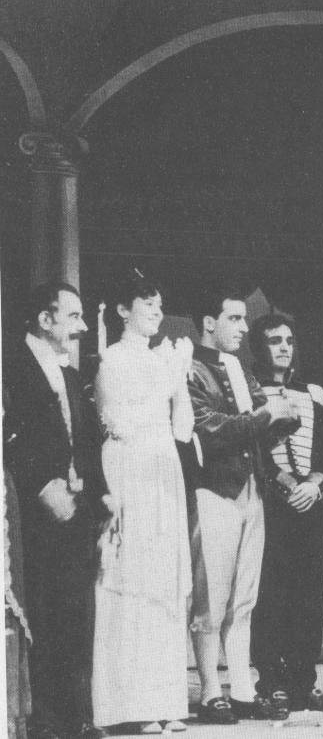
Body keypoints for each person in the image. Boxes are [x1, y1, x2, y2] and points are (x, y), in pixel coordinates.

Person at [186, 286, 299, 724]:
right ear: (209, 323)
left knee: (243, 598)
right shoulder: (191, 367)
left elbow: (259, 423)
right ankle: (210, 691)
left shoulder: (237, 367)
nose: (243, 327)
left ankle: (243, 688)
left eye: (243, 318)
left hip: (251, 488)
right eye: (234, 318)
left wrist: (283, 417)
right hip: (215, 490)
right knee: (211, 597)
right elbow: (209, 430)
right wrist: (267, 415)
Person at [91, 273, 193, 734]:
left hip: (163, 468)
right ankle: (128, 705)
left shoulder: (161, 359)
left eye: (159, 304)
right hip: (130, 467)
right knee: (131, 579)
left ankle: (164, 700)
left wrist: (179, 379)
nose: (156, 311)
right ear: (123, 310)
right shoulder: (113, 358)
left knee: (164, 582)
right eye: (147, 303)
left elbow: (182, 429)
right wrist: (170, 374)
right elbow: (121, 422)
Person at [3, 282, 106, 739]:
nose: (82, 327)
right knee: (41, 615)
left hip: (75, 514)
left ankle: (74, 718)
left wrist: (101, 494)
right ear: (45, 320)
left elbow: (85, 441)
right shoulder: (10, 367)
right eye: (73, 317)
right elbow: (10, 437)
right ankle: (43, 722)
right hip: (31, 517)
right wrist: (41, 485)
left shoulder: (69, 375)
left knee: (74, 616)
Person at [248, 315, 323, 712]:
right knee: (272, 593)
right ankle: (272, 680)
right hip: (271, 506)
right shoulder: (249, 392)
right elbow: (258, 454)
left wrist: (314, 485)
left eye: (288, 340)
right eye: (274, 341)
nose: (283, 347)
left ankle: (305, 680)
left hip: (308, 505)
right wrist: (287, 485)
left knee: (309, 594)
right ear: (259, 346)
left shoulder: (312, 394)